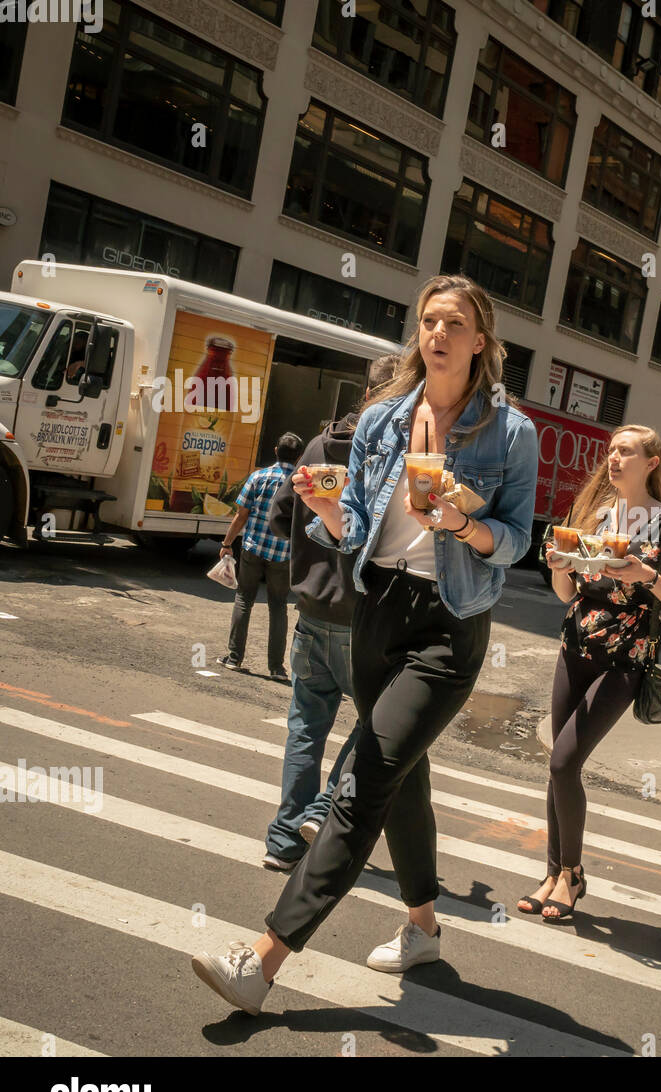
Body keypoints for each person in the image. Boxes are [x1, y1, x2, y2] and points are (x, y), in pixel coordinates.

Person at [191, 274, 538, 1014]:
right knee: (403, 776)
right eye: (427, 321)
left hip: (449, 625)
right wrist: (322, 504)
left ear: (482, 340)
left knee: (364, 780)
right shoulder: (384, 419)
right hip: (376, 609)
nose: (437, 333)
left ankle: (262, 959)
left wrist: (461, 525)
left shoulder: (511, 434)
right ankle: (423, 925)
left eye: (453, 322)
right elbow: (355, 524)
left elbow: (514, 542)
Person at [517, 426, 661, 920]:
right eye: (612, 451)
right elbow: (567, 594)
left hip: (625, 659)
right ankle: (553, 873)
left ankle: (572, 876)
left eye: (627, 452)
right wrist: (559, 566)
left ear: (652, 463)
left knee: (562, 763)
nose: (614, 459)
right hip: (575, 647)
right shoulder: (594, 515)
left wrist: (648, 576)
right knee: (559, 764)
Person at [259, 355, 399, 873]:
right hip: (364, 615)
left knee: (305, 728)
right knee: (376, 726)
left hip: (313, 609)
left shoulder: (319, 446)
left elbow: (278, 516)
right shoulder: (390, 453)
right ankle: (319, 811)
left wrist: (309, 547)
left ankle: (283, 841)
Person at [217, 432, 305, 681]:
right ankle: (276, 668)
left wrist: (227, 544)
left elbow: (241, 516)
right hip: (283, 554)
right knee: (278, 606)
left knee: (244, 599)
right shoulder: (300, 484)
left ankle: (234, 658)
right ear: (299, 456)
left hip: (253, 549)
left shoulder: (258, 477)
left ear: (276, 450)